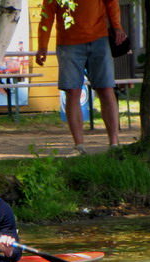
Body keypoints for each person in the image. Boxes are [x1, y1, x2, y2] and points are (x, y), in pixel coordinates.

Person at [35, 0, 127, 156]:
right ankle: (79, 146)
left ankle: (114, 144)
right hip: (68, 43)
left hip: (100, 38)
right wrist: (42, 45)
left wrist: (117, 26)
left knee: (106, 89)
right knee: (72, 92)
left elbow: (112, 3)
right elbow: (46, 15)